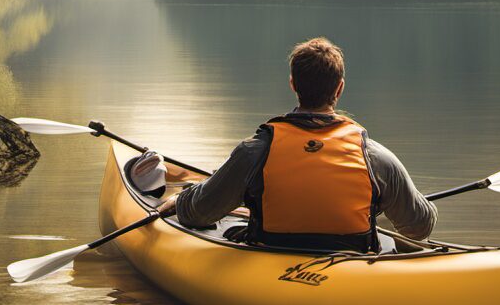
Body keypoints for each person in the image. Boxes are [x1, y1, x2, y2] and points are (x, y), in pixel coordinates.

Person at [145, 37, 436, 252]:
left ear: (293, 85)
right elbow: (420, 226)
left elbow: (200, 213)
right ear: (340, 88)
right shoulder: (375, 158)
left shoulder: (254, 152)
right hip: (352, 263)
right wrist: (377, 205)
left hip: (271, 255)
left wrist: (179, 201)